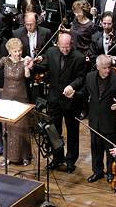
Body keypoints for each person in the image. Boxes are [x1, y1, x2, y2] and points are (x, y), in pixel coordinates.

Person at [31, 33, 86, 173]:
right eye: (62, 47)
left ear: (71, 44)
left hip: (70, 101)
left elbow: (81, 78)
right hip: (54, 99)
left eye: (67, 47)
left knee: (72, 132)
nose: (65, 50)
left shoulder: (79, 57)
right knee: (54, 131)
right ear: (58, 44)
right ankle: (57, 158)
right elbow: (43, 67)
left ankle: (70, 160)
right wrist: (32, 66)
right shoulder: (51, 52)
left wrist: (72, 86)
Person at [0, 38, 32, 165]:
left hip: (21, 98)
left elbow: (27, 76)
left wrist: (27, 66)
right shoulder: (5, 60)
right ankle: (7, 156)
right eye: (15, 51)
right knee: (7, 128)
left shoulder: (24, 61)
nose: (18, 53)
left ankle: (24, 156)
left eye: (20, 50)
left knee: (21, 128)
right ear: (9, 51)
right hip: (6, 97)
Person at [84, 55, 116, 183]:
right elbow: (85, 94)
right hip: (94, 120)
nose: (107, 70)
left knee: (110, 150)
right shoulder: (89, 77)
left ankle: (111, 173)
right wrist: (73, 94)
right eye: (104, 68)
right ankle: (97, 172)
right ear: (98, 67)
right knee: (95, 148)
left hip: (110, 121)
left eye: (109, 67)